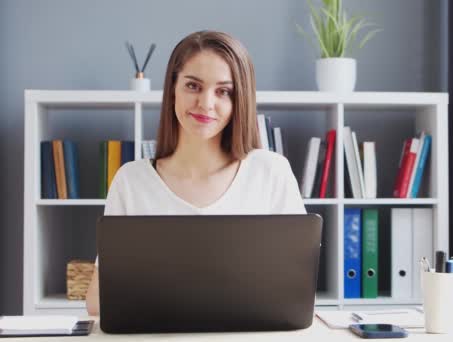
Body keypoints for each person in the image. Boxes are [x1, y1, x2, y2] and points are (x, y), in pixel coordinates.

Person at [86, 31, 306, 315]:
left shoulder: (272, 172)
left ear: (240, 100)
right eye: (193, 86)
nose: (206, 103)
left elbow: (297, 291)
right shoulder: (131, 181)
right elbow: (97, 302)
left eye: (223, 91)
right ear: (173, 89)